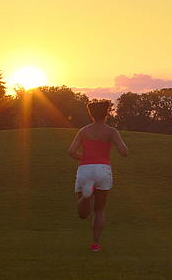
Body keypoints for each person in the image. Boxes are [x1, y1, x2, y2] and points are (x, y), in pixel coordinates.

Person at [68, 101, 128, 252]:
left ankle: (86, 196)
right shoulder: (111, 131)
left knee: (83, 214)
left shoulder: (83, 131)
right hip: (103, 169)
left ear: (91, 114)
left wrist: (84, 157)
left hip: (85, 169)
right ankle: (95, 244)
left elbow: (71, 151)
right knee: (99, 210)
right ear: (106, 113)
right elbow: (124, 152)